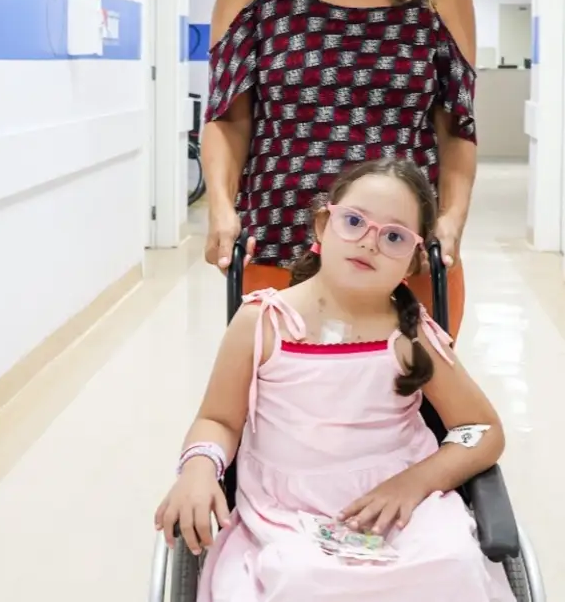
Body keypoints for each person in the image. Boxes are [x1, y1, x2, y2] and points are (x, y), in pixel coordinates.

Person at [156, 158, 512, 601]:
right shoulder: (262, 322)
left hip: (402, 506)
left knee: (453, 565)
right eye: (354, 222)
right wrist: (198, 469)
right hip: (287, 511)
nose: (369, 243)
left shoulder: (411, 334)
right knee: (300, 580)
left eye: (394, 237)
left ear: (413, 260)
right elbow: (219, 420)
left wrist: (415, 483)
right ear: (323, 226)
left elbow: (482, 428)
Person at [201, 0, 479, 338]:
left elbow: (457, 128)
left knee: (408, 394)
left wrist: (451, 222)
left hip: (403, 257)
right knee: (283, 394)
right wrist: (220, 208)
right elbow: (228, 116)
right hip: (281, 247)